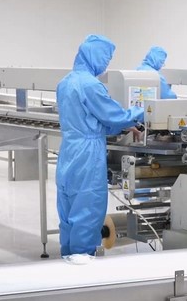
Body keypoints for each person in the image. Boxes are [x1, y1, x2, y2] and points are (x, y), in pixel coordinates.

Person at [56, 35, 143, 258]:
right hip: (87, 157)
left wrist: (122, 127)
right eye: (106, 58)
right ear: (95, 56)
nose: (106, 64)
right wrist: (145, 111)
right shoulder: (90, 85)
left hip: (68, 153)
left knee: (68, 214)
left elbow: (90, 121)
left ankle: (66, 262)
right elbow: (114, 116)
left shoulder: (65, 82)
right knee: (87, 212)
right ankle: (82, 265)